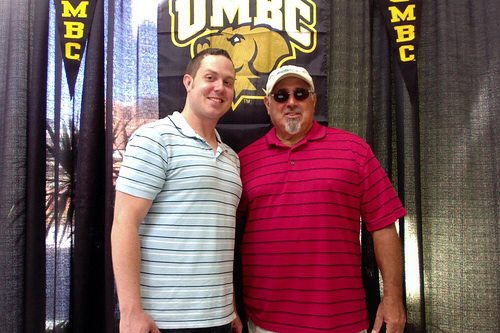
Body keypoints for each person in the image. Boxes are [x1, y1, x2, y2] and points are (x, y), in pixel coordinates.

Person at [236, 65, 407, 333]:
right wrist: (229, 306)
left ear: (313, 100)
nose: (291, 102)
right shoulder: (244, 161)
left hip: (341, 320)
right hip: (266, 322)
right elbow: (224, 236)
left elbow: (383, 225)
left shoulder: (354, 150)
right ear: (267, 104)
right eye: (281, 96)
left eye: (300, 94)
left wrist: (393, 299)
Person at [111, 48, 243, 333]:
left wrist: (229, 306)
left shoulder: (232, 157)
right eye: (210, 77)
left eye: (228, 82)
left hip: (219, 319)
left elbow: (217, 237)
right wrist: (131, 312)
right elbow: (124, 222)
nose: (220, 87)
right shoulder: (154, 138)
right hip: (163, 321)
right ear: (188, 82)